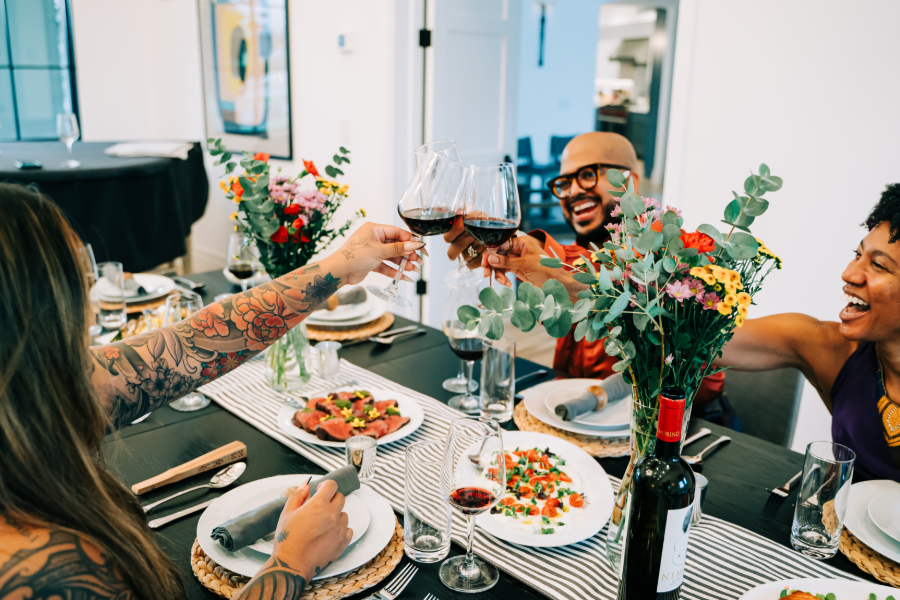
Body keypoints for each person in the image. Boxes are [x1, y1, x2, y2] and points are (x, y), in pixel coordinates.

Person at [0, 182, 425, 599]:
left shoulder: (30, 387)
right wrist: (292, 563)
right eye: (80, 283)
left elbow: (197, 341)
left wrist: (339, 266)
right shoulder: (55, 568)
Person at [444, 132, 724, 403]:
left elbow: (597, 274)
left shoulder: (673, 258)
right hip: (575, 410)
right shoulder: (585, 252)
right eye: (564, 184)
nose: (573, 191)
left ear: (631, 183)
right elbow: (559, 262)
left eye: (588, 175)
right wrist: (493, 246)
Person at [715, 184, 900, 482]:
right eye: (857, 254)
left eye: (878, 264)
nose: (849, 273)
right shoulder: (836, 351)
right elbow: (705, 340)